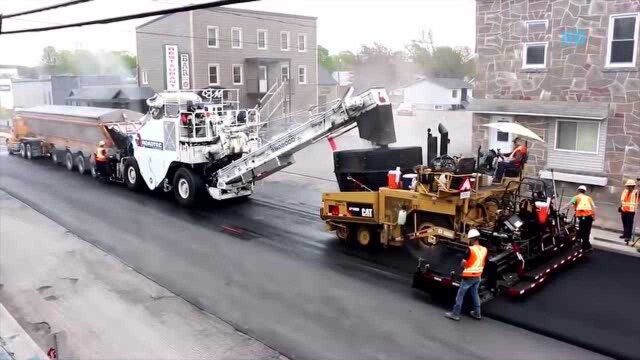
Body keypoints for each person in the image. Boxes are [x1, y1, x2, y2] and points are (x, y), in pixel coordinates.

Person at [445, 229, 487, 321]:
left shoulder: (470, 249)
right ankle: (477, 313)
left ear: (471, 239)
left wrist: (465, 265)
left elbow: (463, 263)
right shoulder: (484, 249)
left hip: (469, 276)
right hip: (478, 276)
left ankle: (455, 314)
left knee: (460, 294)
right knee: (475, 294)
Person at [569, 185, 595, 251]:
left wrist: (560, 209)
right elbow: (593, 207)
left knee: (581, 230)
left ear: (578, 190)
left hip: (583, 217)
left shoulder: (576, 197)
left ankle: (579, 243)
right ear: (585, 191)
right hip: (590, 217)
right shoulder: (589, 198)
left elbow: (569, 204)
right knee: (587, 231)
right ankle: (587, 246)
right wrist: (593, 217)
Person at [620, 179, 638, 244]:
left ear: (632, 186)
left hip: (631, 211)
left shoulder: (636, 192)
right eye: (627, 186)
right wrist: (620, 207)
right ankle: (625, 234)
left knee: (629, 224)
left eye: (629, 186)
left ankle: (628, 236)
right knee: (624, 223)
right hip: (623, 210)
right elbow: (622, 200)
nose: (627, 187)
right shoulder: (625, 191)